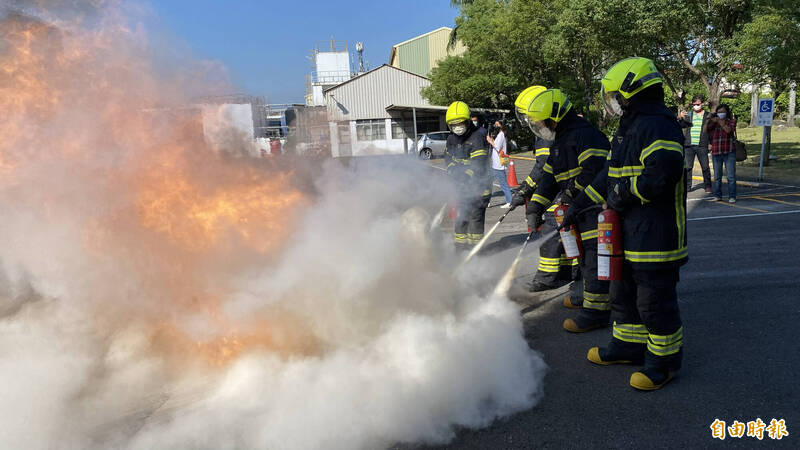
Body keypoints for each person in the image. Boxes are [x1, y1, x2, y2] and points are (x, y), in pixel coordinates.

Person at [578, 57, 686, 391]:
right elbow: (608, 174)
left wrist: (622, 194)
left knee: (654, 303)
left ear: (632, 90)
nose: (615, 102)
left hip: (656, 234)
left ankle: (663, 364)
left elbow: (661, 175)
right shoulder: (630, 125)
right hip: (628, 231)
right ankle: (628, 346)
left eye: (616, 95)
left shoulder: (658, 124)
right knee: (621, 294)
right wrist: (580, 204)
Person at [512, 89, 611, 332]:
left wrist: (571, 195)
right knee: (583, 257)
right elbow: (549, 177)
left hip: (594, 209)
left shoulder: (585, 135)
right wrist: (535, 204)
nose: (540, 127)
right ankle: (588, 298)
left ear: (555, 117)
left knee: (593, 258)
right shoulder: (560, 140)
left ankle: (596, 312)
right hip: (578, 209)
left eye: (541, 122)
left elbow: (593, 171)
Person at [510, 86, 578, 292]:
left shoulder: (545, 133)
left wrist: (526, 189)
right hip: (562, 188)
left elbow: (542, 167)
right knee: (563, 228)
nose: (525, 120)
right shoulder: (550, 130)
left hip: (563, 189)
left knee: (550, 226)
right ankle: (567, 270)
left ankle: (546, 278)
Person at [444, 101, 492, 250]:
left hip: (479, 189)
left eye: (460, 123)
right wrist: (452, 171)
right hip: (461, 188)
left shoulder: (477, 137)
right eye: (453, 124)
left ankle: (475, 250)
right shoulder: (451, 139)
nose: (457, 127)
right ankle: (460, 247)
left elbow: (479, 163)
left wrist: (465, 175)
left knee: (475, 219)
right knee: (460, 217)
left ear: (468, 120)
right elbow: (448, 158)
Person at [678, 95, 712, 193]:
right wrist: (681, 118)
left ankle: (708, 185)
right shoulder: (689, 115)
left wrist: (710, 143)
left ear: (702, 104)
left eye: (698, 104)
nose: (696, 106)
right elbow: (682, 126)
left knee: (705, 167)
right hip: (689, 145)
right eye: (694, 105)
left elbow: (711, 130)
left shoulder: (708, 115)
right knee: (688, 167)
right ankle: (688, 186)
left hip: (702, 145)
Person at [706, 104, 738, 203]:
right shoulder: (714, 123)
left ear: (726, 112)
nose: (720, 114)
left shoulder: (731, 121)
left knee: (730, 176)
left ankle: (732, 196)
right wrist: (708, 119)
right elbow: (704, 130)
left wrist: (720, 121)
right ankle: (717, 195)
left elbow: (728, 130)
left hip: (728, 151)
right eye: (719, 112)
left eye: (722, 112)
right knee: (717, 176)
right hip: (716, 151)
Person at [487, 120, 512, 208]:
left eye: (497, 124)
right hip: (496, 165)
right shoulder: (500, 135)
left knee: (503, 184)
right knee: (489, 182)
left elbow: (497, 147)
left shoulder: (501, 135)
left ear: (501, 126)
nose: (495, 125)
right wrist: (492, 140)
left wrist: (490, 141)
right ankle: (487, 201)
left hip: (499, 166)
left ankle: (509, 201)